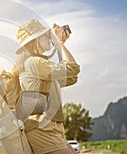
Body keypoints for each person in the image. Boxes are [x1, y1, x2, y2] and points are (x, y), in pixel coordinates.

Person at [14, 19, 80, 154]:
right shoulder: (34, 63)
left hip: (52, 128)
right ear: (36, 40)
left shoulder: (41, 65)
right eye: (46, 34)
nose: (49, 37)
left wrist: (59, 46)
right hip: (42, 129)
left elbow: (72, 77)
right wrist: (59, 43)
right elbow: (73, 68)